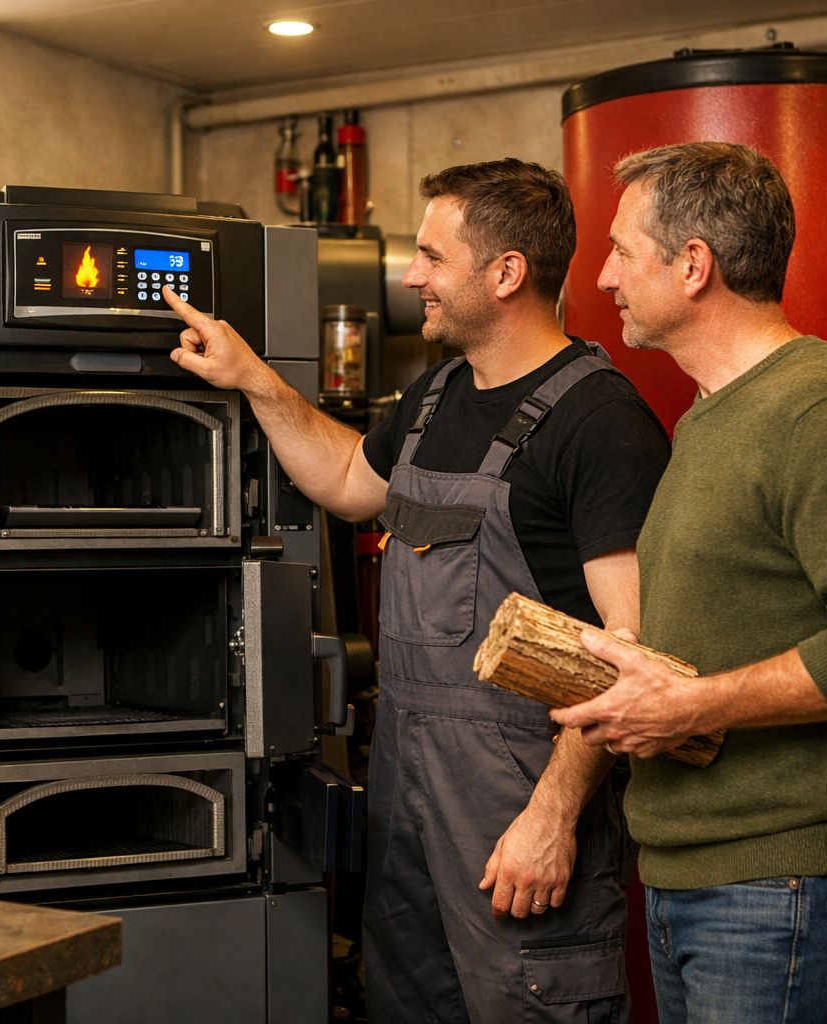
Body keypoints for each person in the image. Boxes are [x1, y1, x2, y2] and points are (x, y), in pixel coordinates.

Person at [161, 157, 669, 1023]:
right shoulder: (436, 397)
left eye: (433, 256)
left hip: (518, 810)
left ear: (505, 273)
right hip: (408, 804)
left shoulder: (600, 423)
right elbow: (351, 479)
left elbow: (630, 654)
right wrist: (254, 379)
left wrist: (551, 817)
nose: (412, 276)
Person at [552, 141, 827, 1024]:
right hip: (703, 877)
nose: (603, 275)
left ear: (694, 264)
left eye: (624, 249)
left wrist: (694, 706)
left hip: (786, 888)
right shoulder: (714, 413)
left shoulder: (818, 409)